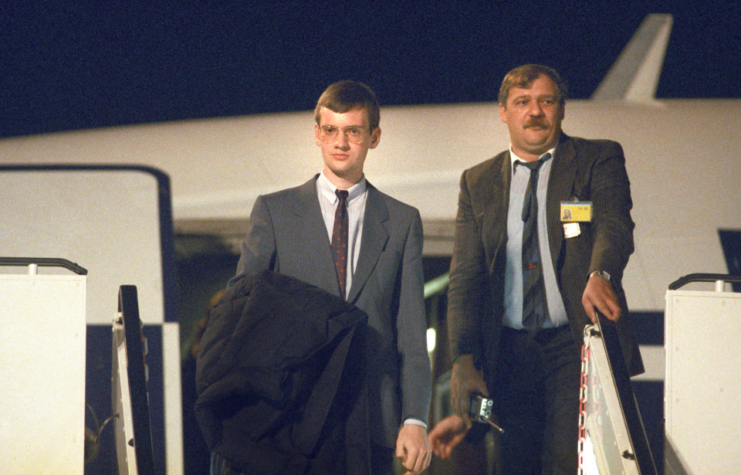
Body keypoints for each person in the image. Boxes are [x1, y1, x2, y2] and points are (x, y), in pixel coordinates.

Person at [429, 64, 644, 474]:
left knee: (564, 462)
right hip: (509, 354)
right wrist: (463, 359)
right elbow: (465, 279)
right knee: (514, 464)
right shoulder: (477, 182)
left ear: (561, 109)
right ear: (503, 111)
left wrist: (601, 274)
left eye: (546, 101)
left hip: (573, 345)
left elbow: (615, 224)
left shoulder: (597, 158)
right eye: (522, 102)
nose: (535, 112)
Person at [218, 80, 432, 475]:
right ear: (317, 134)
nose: (341, 142)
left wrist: (415, 419)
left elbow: (412, 333)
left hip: (371, 417)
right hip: (291, 415)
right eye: (331, 130)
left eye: (353, 131)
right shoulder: (275, 212)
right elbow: (241, 311)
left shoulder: (402, 221)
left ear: (374, 137)